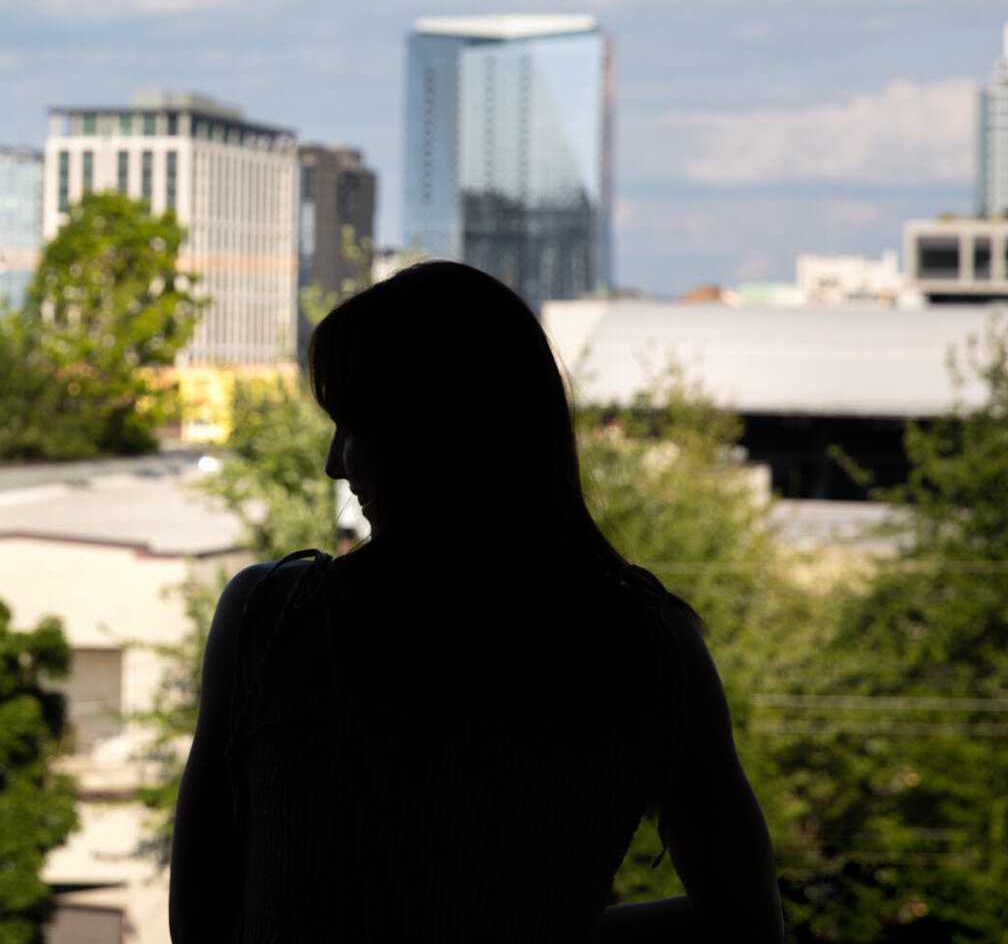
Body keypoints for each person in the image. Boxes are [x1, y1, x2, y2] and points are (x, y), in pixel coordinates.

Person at [169, 261, 783, 943]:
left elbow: (199, 923)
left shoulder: (269, 623)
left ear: (438, 436)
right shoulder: (647, 650)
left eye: (355, 426)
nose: (334, 464)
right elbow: (747, 923)